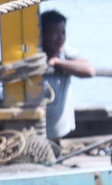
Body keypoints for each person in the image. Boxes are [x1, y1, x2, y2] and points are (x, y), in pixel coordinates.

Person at [39, 9, 94, 146]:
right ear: (42, 34)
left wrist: (58, 62)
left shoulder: (64, 52)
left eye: (63, 33)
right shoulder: (32, 53)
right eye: (55, 33)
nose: (60, 38)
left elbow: (89, 70)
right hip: (36, 128)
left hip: (57, 130)